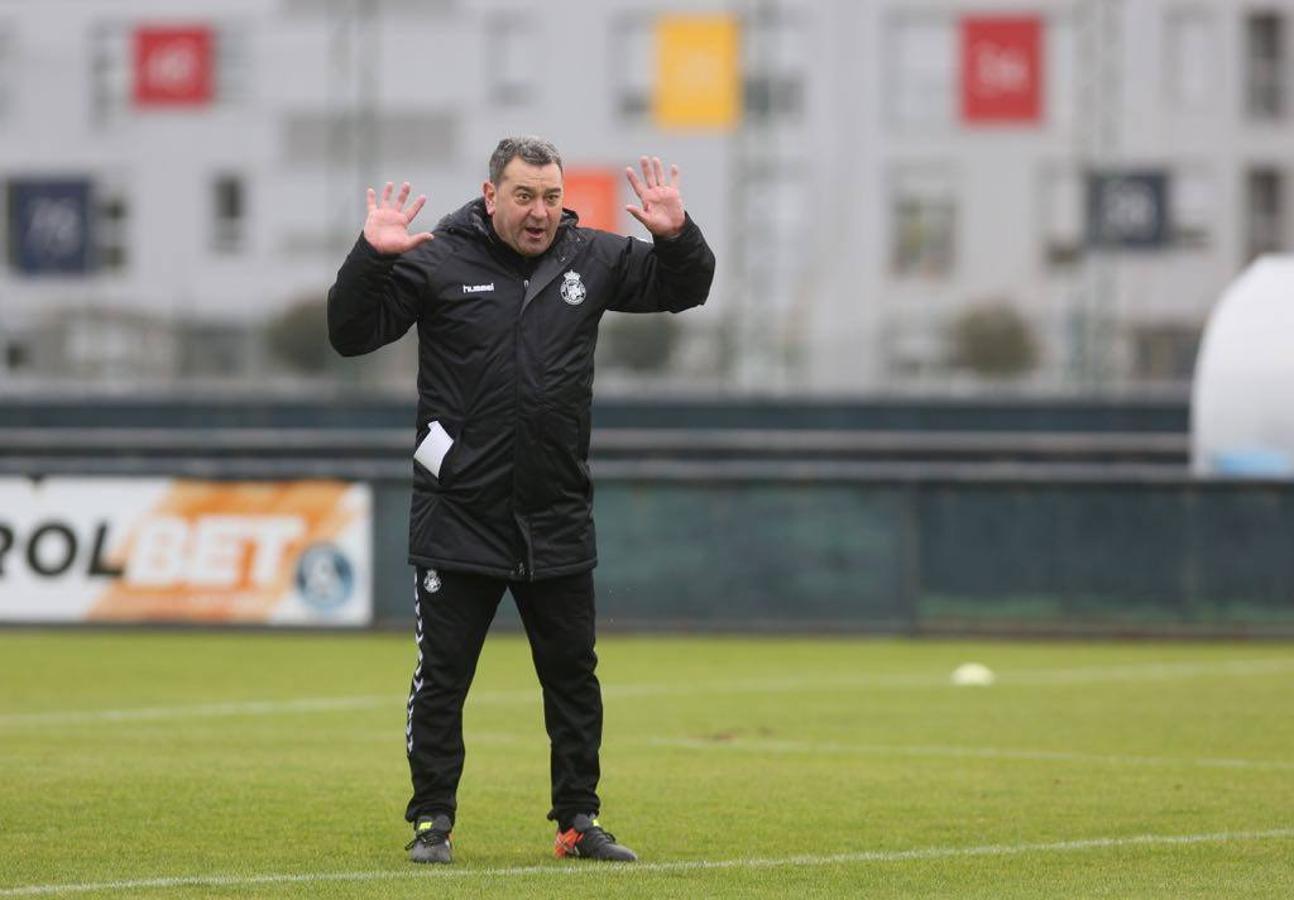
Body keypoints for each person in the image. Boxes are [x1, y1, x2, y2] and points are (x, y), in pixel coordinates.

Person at [326, 136, 715, 864]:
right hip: (458, 515)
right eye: (525, 196)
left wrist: (676, 237)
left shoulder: (591, 257)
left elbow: (684, 287)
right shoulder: (437, 258)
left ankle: (578, 821)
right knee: (443, 680)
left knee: (573, 679)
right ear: (491, 195)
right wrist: (370, 256)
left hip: (556, 514)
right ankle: (432, 822)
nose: (540, 212)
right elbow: (349, 333)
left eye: (551, 197)